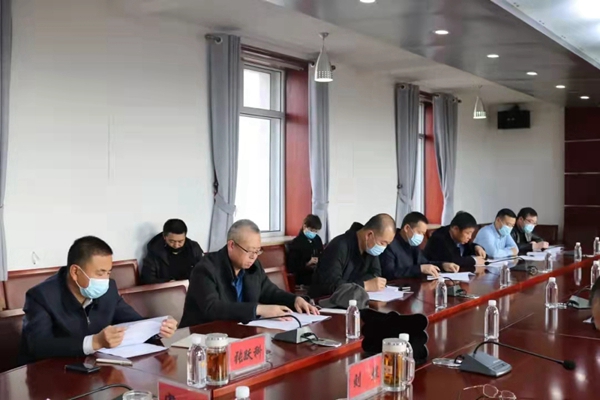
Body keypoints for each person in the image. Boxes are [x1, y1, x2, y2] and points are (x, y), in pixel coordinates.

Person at [19, 236, 177, 364]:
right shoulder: (41, 296)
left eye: (108, 272)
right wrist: (94, 342)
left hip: (97, 368)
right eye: (100, 273)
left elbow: (133, 321)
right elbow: (38, 346)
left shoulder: (108, 289)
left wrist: (157, 329)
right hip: (53, 375)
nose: (105, 280)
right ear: (75, 272)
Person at [180, 220, 318, 327]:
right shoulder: (205, 268)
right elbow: (212, 308)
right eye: (250, 251)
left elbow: (269, 292)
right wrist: (258, 309)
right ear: (231, 245)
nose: (254, 257)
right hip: (201, 337)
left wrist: (294, 300)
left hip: (238, 332)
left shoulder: (253, 266)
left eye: (257, 251)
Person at [309, 214, 396, 298]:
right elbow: (330, 285)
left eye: (387, 244)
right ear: (369, 235)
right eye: (382, 243)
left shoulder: (370, 248)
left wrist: (356, 284)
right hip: (324, 303)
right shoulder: (339, 246)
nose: (383, 248)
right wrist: (364, 285)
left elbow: (375, 274)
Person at [381, 212, 459, 279]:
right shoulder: (390, 243)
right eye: (419, 232)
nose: (421, 237)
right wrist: (419, 269)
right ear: (407, 228)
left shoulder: (412, 243)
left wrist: (443, 265)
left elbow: (424, 263)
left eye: (423, 233)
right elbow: (389, 273)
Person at [141, 219, 204, 284]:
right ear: (165, 237)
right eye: (172, 241)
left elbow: (204, 271)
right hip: (167, 289)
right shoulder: (155, 251)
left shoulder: (193, 248)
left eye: (180, 241)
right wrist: (168, 283)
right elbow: (147, 280)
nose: (176, 245)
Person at [286, 214, 324, 286]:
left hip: (317, 272)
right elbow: (292, 267)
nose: (313, 233)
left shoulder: (317, 239)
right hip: (304, 276)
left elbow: (321, 253)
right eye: (311, 230)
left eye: (316, 231)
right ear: (304, 226)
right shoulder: (296, 243)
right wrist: (307, 263)